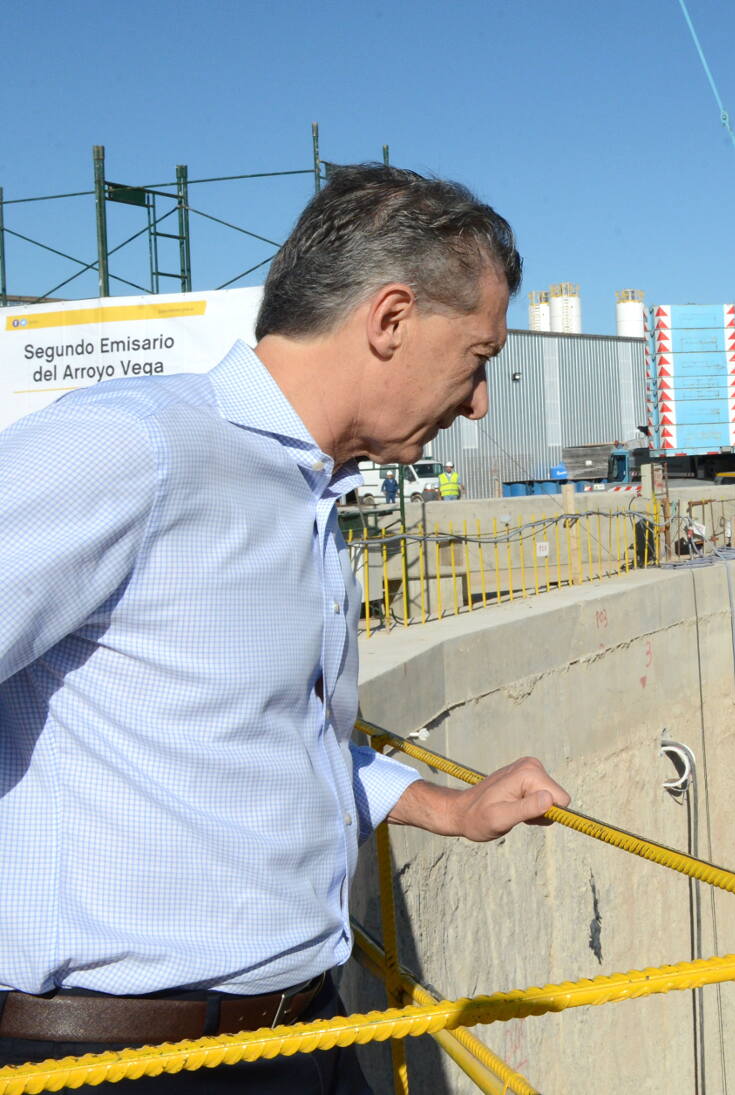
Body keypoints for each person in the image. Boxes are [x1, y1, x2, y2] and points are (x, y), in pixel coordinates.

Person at [0, 164, 568, 1092]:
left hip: (302, 1031)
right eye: (478, 358)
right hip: (120, 1058)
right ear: (390, 319)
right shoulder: (134, 447)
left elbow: (265, 734)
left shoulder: (306, 492)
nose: (479, 403)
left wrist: (444, 807)